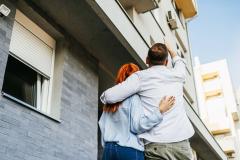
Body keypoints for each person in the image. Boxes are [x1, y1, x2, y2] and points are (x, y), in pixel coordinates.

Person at [100, 43, 195, 160]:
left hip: (156, 144)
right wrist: (171, 50)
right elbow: (180, 62)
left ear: (147, 60)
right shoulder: (178, 74)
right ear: (166, 62)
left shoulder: (140, 78)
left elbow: (109, 96)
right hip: (181, 143)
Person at [99, 63, 175, 160]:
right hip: (129, 150)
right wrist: (160, 111)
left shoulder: (109, 102)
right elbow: (137, 126)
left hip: (108, 150)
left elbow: (102, 124)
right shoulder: (134, 98)